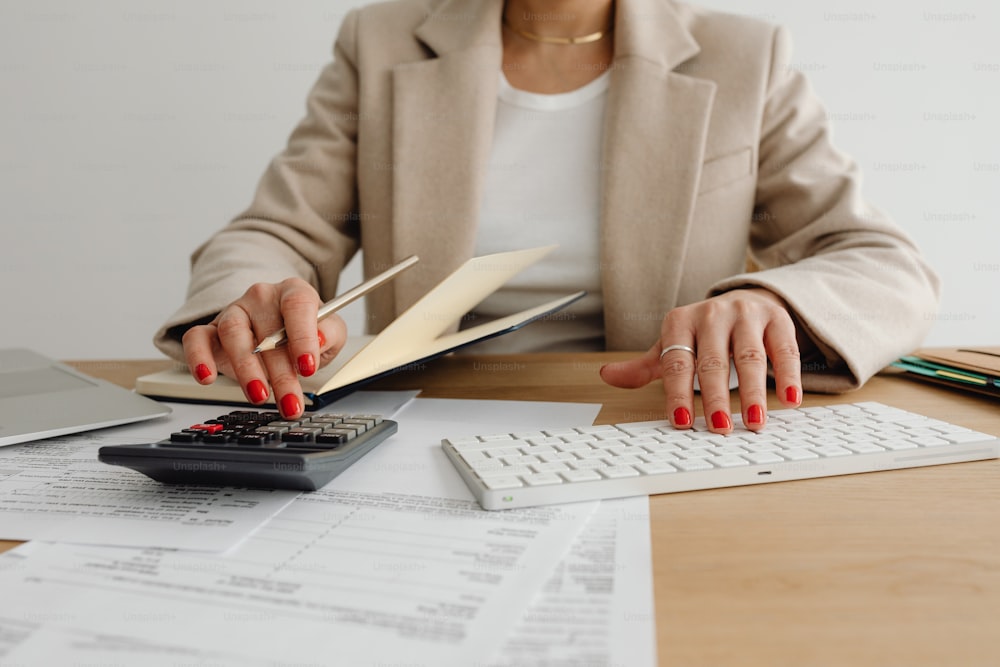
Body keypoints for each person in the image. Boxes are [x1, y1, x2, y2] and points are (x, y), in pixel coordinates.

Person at [154, 0, 939, 434]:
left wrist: (770, 302)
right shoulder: (381, 39)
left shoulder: (745, 54)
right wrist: (256, 297)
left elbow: (882, 261)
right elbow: (275, 231)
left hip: (660, 423)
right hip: (417, 422)